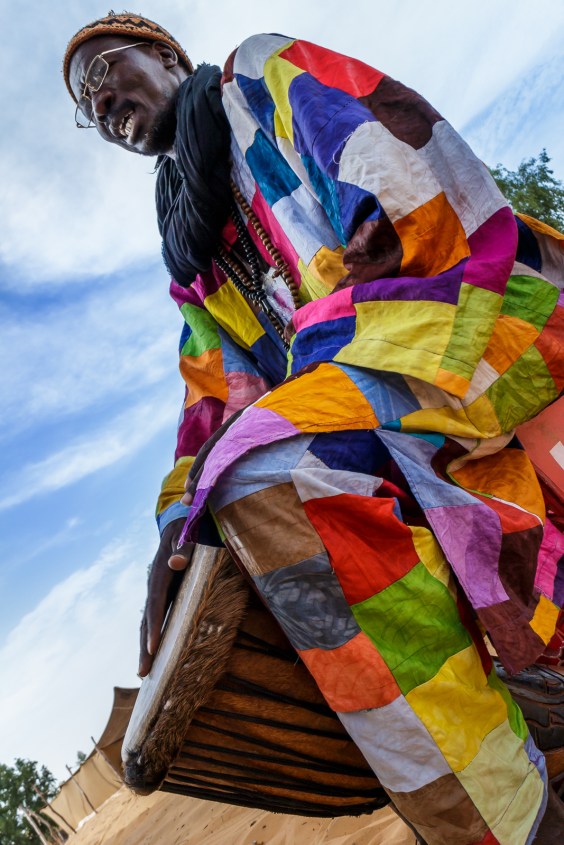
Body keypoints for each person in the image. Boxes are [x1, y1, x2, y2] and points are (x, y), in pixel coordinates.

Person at [63, 12, 564, 844]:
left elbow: (405, 186)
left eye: (106, 67)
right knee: (230, 489)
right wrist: (171, 529)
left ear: (164, 55)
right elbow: (212, 399)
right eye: (86, 102)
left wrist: (312, 375)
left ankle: (510, 817)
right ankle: (501, 792)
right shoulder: (191, 259)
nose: (101, 97)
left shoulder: (259, 77)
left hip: (459, 321)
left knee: (261, 466)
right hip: (352, 387)